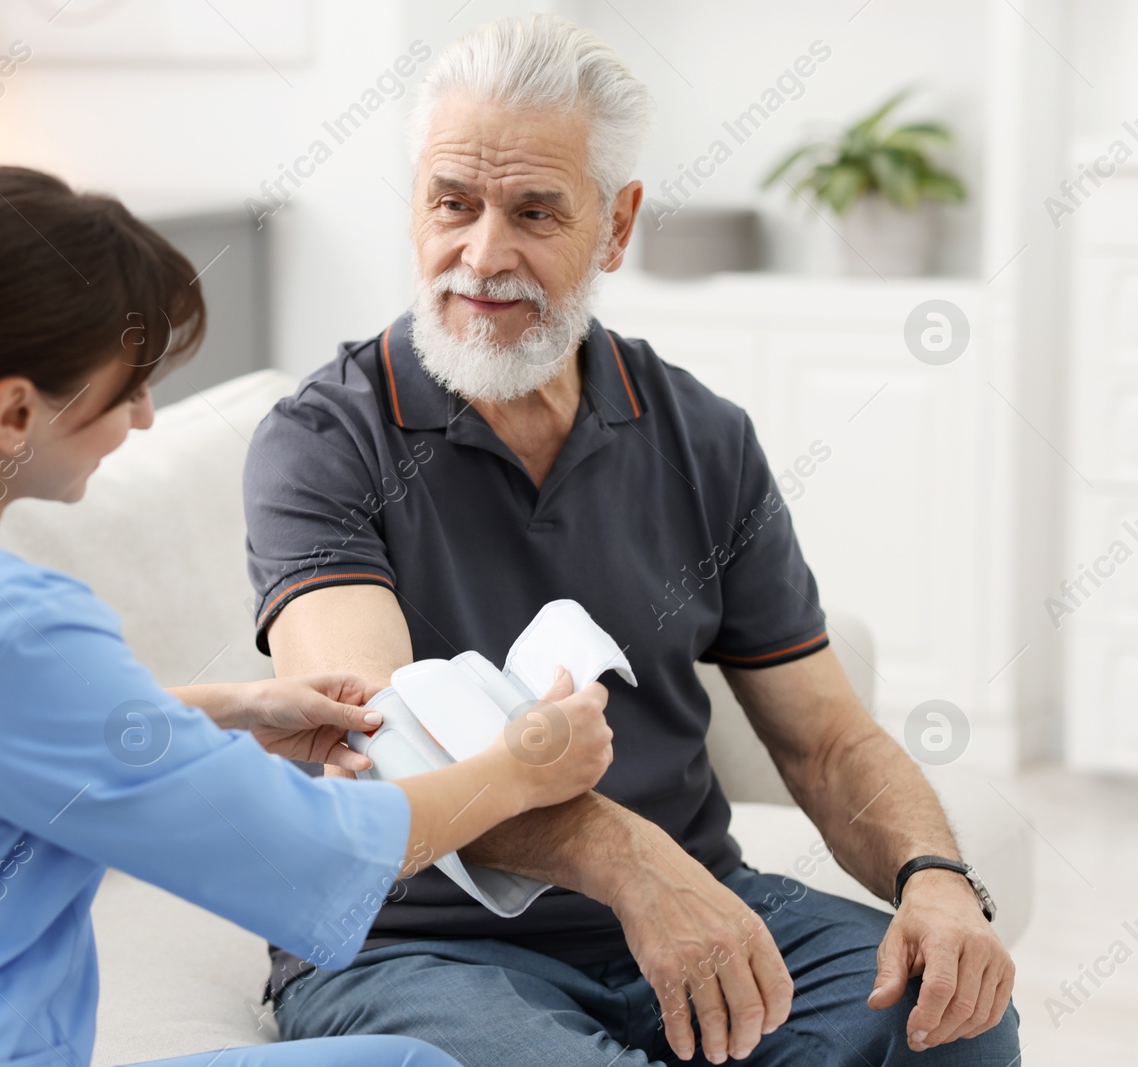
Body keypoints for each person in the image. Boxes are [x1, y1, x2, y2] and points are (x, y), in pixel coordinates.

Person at [0, 165, 614, 1067]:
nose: (149, 418)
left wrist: (233, 707)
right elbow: (301, 850)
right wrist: (525, 765)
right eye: (129, 389)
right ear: (11, 414)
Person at [242, 15, 1019, 1067]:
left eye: (533, 212)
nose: (482, 254)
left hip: (691, 906)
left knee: (943, 1019)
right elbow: (388, 746)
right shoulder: (322, 439)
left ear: (615, 227)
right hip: (409, 944)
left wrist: (934, 875)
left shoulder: (701, 435)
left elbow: (826, 739)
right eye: (451, 204)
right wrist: (626, 858)